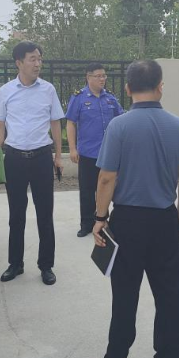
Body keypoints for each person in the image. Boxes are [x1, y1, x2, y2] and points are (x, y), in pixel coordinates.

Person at [78, 60, 179, 358]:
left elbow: (106, 178)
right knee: (169, 292)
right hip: (164, 218)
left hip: (128, 221)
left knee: (125, 296)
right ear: (160, 87)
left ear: (128, 89)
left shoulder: (119, 127)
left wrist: (100, 218)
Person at [0, 41, 65, 286]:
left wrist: (58, 155)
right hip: (14, 159)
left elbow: (56, 123)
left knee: (45, 214)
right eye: (32, 59)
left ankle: (46, 265)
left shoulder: (48, 90)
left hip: (42, 157)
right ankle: (16, 263)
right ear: (19, 62)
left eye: (40, 59)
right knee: (16, 215)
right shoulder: (6, 91)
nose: (38, 64)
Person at [66, 63, 124, 237]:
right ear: (88, 77)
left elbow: (121, 120)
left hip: (109, 153)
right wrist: (72, 148)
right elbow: (70, 123)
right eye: (98, 76)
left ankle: (105, 220)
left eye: (104, 76)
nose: (102, 79)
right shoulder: (79, 98)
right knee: (87, 190)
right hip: (88, 153)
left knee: (109, 188)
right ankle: (87, 224)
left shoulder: (110, 98)